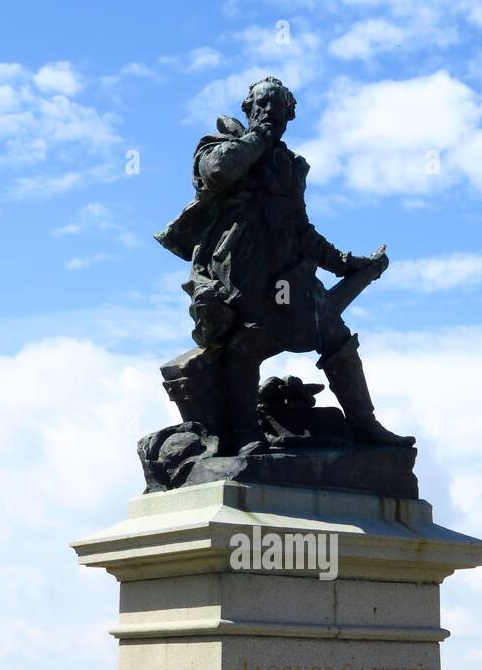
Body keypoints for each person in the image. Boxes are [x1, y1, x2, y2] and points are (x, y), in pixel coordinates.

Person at [156, 76, 415, 453]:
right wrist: (257, 138)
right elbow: (217, 173)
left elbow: (302, 230)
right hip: (238, 271)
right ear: (248, 108)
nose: (269, 115)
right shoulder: (220, 146)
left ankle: (365, 425)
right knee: (246, 343)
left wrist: (346, 263)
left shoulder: (289, 166)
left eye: (278, 111)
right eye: (262, 106)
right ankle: (246, 434)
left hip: (290, 275)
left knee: (337, 336)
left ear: (289, 117)